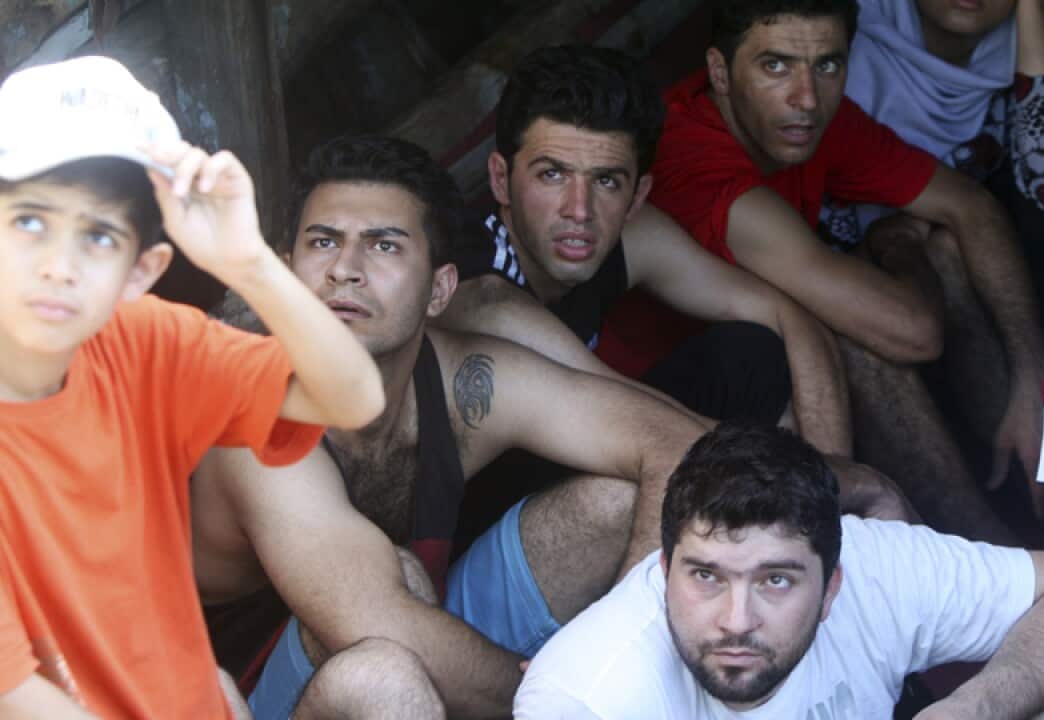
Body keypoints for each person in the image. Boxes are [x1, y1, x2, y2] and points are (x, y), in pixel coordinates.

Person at [195, 136, 909, 720]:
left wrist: (846, 481)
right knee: (387, 669)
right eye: (323, 243)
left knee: (620, 498)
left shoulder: (464, 382)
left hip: (427, 628)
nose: (345, 270)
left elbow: (670, 445)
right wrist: (570, 697)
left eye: (383, 246)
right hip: (258, 691)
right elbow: (376, 622)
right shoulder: (255, 417)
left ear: (441, 288)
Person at [0, 56, 383, 718]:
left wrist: (250, 263)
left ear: (140, 271)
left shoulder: (138, 341)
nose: (60, 267)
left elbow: (352, 398)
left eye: (98, 235)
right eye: (30, 221)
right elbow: (17, 697)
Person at [611, 0, 1044, 543]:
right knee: (854, 329)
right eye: (774, 66)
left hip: (771, 364)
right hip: (663, 411)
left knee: (945, 247)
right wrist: (897, 247)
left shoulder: (804, 118)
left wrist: (1033, 372)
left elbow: (970, 206)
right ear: (720, 72)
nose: (806, 97)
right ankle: (983, 549)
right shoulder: (694, 159)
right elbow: (914, 332)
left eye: (827, 65)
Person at [515, 422, 1044, 719]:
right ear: (663, 567)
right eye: (705, 576)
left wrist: (972, 709)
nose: (736, 622)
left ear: (831, 586)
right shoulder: (585, 697)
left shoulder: (873, 562)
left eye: (776, 581)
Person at [442, 44, 852, 458]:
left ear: (637, 196)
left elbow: (789, 318)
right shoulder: (477, 286)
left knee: (754, 353)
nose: (580, 211)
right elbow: (627, 413)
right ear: (500, 179)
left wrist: (835, 475)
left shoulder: (629, 236)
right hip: (490, 508)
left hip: (598, 433)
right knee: (619, 479)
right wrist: (838, 480)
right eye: (552, 174)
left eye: (606, 182)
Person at [829, 0, 1044, 350]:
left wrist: (1031, 10)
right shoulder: (837, 30)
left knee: (951, 253)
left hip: (957, 268)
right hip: (828, 270)